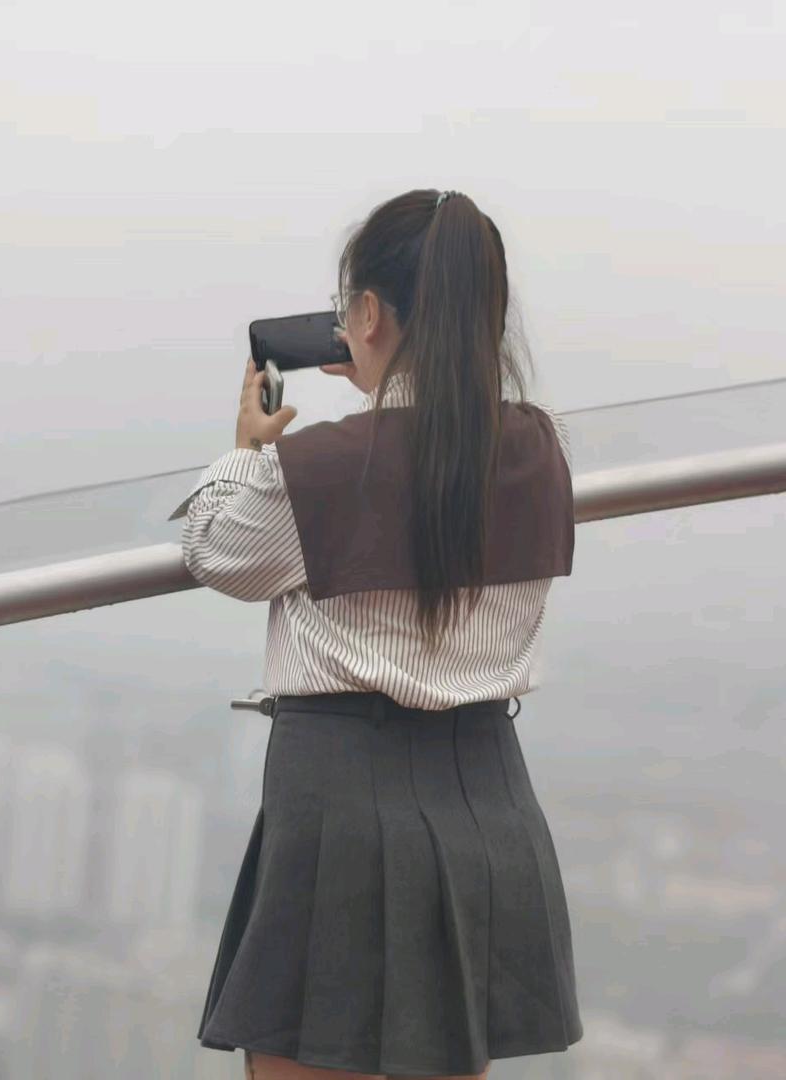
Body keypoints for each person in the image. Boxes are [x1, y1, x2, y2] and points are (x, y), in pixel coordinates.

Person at [171, 189, 582, 1080]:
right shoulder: (539, 451)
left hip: (343, 807)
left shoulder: (319, 468)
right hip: (487, 799)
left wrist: (247, 449)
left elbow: (214, 552)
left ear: (364, 314)